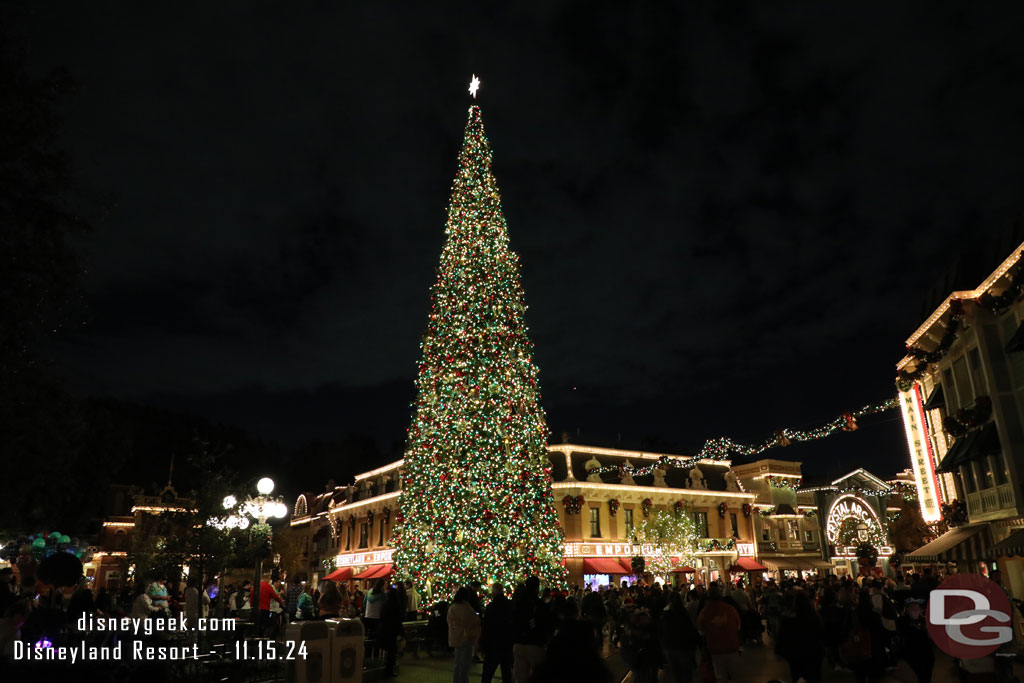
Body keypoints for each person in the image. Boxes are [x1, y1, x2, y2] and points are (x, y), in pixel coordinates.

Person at [697, 584, 741, 683]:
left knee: (720, 676)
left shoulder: (705, 612)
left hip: (715, 648)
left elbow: (701, 631)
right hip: (732, 646)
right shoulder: (730, 609)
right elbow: (738, 626)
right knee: (735, 676)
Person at [775, 591, 823, 683]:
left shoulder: (788, 620)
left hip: (796, 653)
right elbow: (821, 633)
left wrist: (779, 651)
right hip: (813, 652)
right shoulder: (814, 618)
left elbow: (782, 636)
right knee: (813, 677)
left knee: (797, 676)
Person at [513, 576, 550, 683]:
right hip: (535, 643)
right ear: (537, 587)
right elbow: (544, 623)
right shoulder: (538, 604)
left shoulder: (518, 602)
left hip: (519, 643)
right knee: (538, 676)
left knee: (520, 677)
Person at [660, 591, 699, 683]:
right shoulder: (684, 613)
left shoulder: (665, 615)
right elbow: (690, 630)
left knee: (676, 673)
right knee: (686, 674)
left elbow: (661, 631)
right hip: (684, 647)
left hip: (670, 647)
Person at [480, 583, 514, 683]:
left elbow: (486, 626)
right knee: (506, 672)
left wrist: (483, 644)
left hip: (493, 643)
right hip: (507, 643)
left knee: (487, 673)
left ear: (494, 591)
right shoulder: (509, 605)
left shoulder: (491, 607)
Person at [448, 586, 481, 683]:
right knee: (465, 664)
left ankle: (456, 680)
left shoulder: (452, 608)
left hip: (455, 636)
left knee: (457, 662)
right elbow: (474, 621)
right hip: (465, 637)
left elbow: (449, 621)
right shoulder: (466, 608)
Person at [897, 599, 933, 683]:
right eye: (912, 608)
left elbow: (930, 636)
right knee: (921, 676)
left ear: (920, 610)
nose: (915, 610)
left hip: (927, 653)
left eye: (917, 608)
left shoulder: (924, 620)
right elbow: (903, 633)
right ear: (907, 610)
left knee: (927, 676)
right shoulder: (902, 621)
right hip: (912, 654)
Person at [379, 582, 405, 677]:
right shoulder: (396, 606)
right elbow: (398, 620)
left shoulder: (385, 605)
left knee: (388, 650)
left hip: (385, 629)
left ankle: (387, 669)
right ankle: (389, 669)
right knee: (392, 652)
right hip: (392, 631)